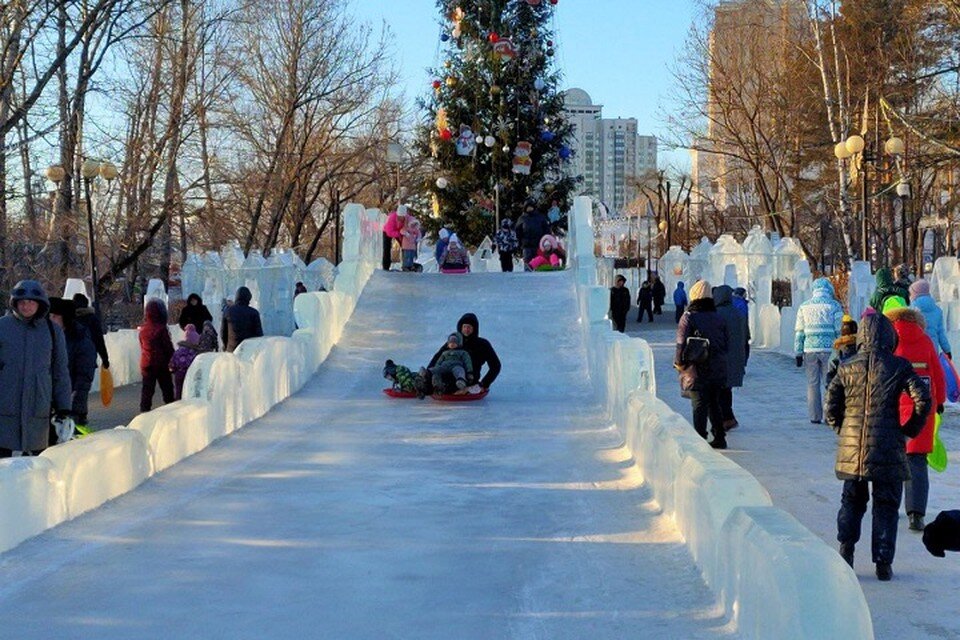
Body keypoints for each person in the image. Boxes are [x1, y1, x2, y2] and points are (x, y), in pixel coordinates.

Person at [825, 313, 931, 580]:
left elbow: (831, 404)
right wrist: (908, 431)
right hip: (887, 447)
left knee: (851, 500)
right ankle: (883, 562)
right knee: (886, 504)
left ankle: (846, 550)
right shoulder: (899, 366)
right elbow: (923, 399)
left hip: (853, 450)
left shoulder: (847, 366)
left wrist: (843, 430)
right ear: (888, 337)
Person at [885, 300, 946, 533]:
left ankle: (890, 508)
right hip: (923, 406)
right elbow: (937, 373)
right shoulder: (926, 340)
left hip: (894, 407)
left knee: (892, 460)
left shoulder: (889, 341)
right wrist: (939, 401)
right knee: (917, 461)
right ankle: (916, 514)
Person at [0, 282, 72, 457]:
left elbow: (60, 372)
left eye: (31, 302)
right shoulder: (2, 327)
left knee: (36, 468)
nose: (26, 306)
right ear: (14, 303)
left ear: (40, 304)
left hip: (38, 410)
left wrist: (64, 409)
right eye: (22, 302)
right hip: (5, 409)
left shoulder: (52, 331)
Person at [675, 280, 729, 448]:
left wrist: (679, 363)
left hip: (697, 367)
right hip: (718, 367)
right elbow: (726, 342)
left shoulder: (689, 317)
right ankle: (719, 437)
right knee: (714, 402)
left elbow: (681, 342)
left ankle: (699, 440)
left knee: (699, 403)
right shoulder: (719, 317)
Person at [794, 277, 844, 424]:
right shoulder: (834, 306)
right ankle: (830, 415)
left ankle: (814, 416)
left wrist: (798, 352)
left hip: (810, 349)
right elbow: (839, 330)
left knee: (812, 383)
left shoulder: (804, 306)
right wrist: (842, 349)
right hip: (830, 350)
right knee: (830, 383)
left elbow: (799, 332)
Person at [49, 298, 98, 433]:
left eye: (54, 316)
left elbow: (85, 372)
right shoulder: (48, 337)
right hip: (51, 401)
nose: (51, 320)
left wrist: (76, 399)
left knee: (73, 436)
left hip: (72, 399)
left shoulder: (79, 338)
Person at [428, 312, 501, 393]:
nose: (466, 329)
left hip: (467, 379)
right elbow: (437, 358)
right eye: (464, 326)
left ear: (474, 328)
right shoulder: (454, 342)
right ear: (460, 328)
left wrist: (484, 384)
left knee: (450, 384)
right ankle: (421, 382)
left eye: (469, 327)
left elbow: (496, 366)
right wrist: (429, 372)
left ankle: (442, 388)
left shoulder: (482, 344)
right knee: (434, 376)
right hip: (447, 373)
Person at [713, 285, 749, 431]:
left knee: (718, 390)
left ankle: (724, 418)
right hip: (736, 358)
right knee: (727, 389)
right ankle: (729, 417)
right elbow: (746, 336)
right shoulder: (738, 313)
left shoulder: (717, 313)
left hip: (721, 357)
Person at [140, 299, 175, 412]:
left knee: (147, 390)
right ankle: (170, 409)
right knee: (167, 388)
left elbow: (142, 346)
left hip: (146, 363)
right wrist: (173, 359)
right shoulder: (161, 329)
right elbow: (167, 347)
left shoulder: (143, 330)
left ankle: (144, 410)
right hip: (161, 364)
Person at [910, 279, 952, 357]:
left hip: (916, 349)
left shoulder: (911, 310)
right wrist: (947, 350)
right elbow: (941, 333)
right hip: (932, 349)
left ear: (914, 294)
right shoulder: (937, 310)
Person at [72, 293, 109, 372]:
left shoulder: (70, 319)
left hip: (71, 361)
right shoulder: (92, 319)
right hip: (88, 358)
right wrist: (105, 359)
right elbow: (99, 341)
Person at [221, 286, 263, 353]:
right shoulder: (254, 313)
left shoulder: (228, 311)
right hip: (249, 351)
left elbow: (223, 333)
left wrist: (226, 347)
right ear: (248, 298)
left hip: (232, 349)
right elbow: (259, 335)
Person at [169, 324, 204, 400]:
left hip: (178, 374)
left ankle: (178, 402)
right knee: (188, 391)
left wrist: (173, 369)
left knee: (179, 391)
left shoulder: (178, 351)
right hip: (189, 374)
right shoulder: (193, 353)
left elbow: (172, 363)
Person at [826, 315, 859, 387]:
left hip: (842, 383)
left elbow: (831, 367)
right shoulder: (862, 345)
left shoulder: (838, 347)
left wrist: (829, 385)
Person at [515, 198, 550, 266]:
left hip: (539, 245)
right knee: (528, 265)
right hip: (527, 246)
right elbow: (518, 232)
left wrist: (546, 241)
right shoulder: (522, 218)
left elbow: (546, 230)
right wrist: (519, 243)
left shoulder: (540, 217)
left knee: (538, 263)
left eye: (531, 207)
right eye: (528, 207)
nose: (529, 208)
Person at [382, 205, 408, 270]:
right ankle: (386, 266)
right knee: (387, 248)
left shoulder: (406, 218)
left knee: (405, 246)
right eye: (399, 217)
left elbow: (412, 221)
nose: (401, 218)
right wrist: (399, 233)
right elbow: (389, 232)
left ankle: (406, 264)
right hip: (387, 232)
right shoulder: (392, 218)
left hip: (399, 232)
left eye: (402, 217)